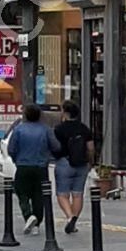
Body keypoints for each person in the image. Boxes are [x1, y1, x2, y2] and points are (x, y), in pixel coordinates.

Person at [6, 103, 60, 234]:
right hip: (41, 167)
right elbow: (56, 147)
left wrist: (16, 159)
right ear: (40, 116)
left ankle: (28, 215)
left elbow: (11, 149)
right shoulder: (46, 129)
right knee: (39, 195)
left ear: (25, 115)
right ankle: (37, 222)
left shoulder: (18, 129)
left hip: (23, 166)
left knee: (21, 192)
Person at [52, 100, 93, 233]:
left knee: (62, 194)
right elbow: (91, 148)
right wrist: (90, 162)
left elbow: (54, 147)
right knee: (78, 194)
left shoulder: (59, 129)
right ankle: (74, 222)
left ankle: (70, 217)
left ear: (65, 112)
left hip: (64, 162)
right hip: (81, 163)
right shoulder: (84, 128)